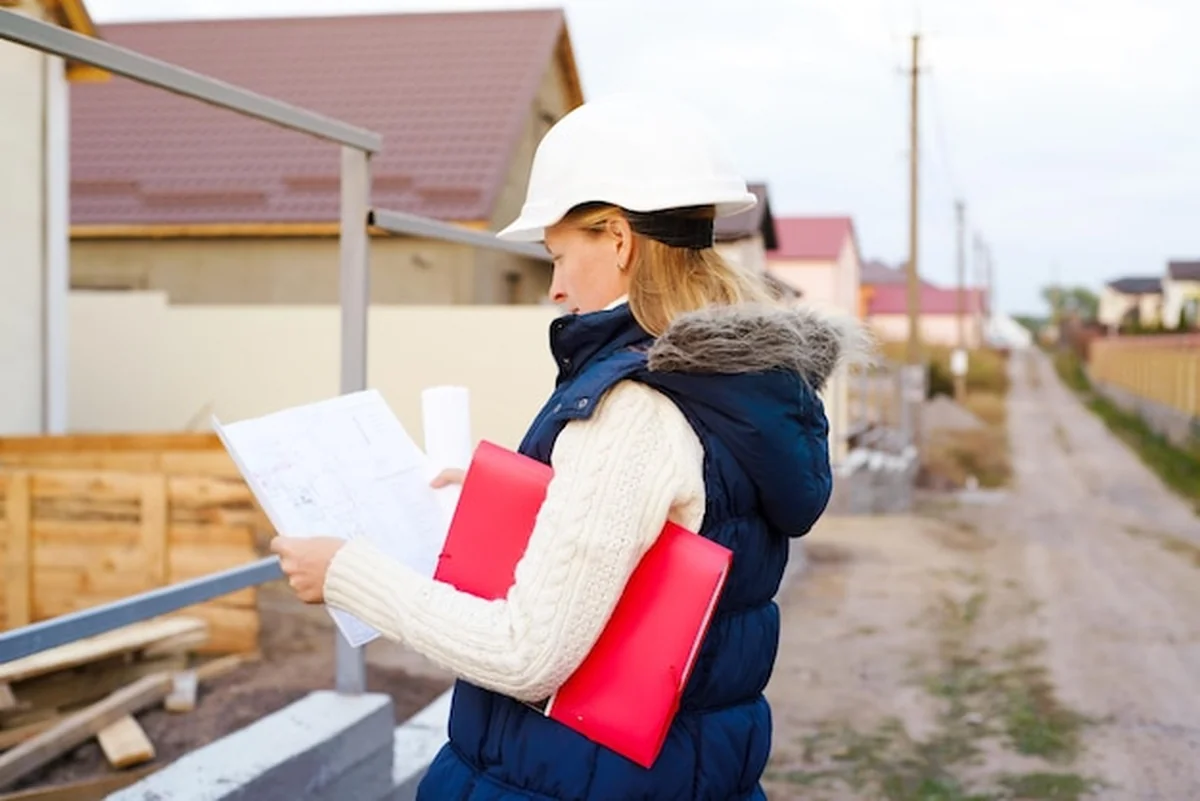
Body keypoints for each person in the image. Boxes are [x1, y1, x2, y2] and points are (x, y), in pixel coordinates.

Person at [271, 93, 862, 800]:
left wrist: (346, 574)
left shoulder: (634, 408)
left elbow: (527, 653)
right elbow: (675, 521)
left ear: (617, 238)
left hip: (568, 778)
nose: (553, 288)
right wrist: (517, 503)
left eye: (557, 256)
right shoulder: (732, 388)